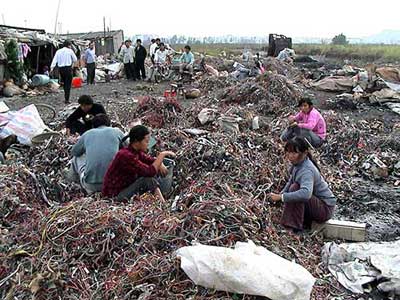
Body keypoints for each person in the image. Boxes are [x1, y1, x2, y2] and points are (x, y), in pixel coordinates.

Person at [269, 137, 336, 232]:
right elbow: (291, 181)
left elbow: (306, 193)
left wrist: (282, 197)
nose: (290, 156)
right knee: (293, 186)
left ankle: (292, 227)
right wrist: (279, 195)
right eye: (288, 152)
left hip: (324, 209)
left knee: (295, 188)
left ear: (304, 153)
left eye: (294, 153)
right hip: (317, 205)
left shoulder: (306, 170)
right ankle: (298, 222)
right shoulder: (297, 165)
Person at [102, 125, 175, 201]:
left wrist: (161, 164)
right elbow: (150, 172)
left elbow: (150, 160)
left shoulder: (135, 152)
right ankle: (163, 204)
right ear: (136, 141)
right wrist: (162, 154)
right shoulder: (125, 155)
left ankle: (162, 199)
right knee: (148, 180)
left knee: (149, 174)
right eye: (146, 141)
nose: (148, 144)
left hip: (125, 188)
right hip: (115, 195)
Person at [67, 114, 125, 193]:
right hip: (114, 185)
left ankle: (71, 183)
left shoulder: (88, 133)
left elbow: (74, 152)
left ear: (93, 126)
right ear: (109, 124)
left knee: (77, 157)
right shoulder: (116, 131)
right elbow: (130, 148)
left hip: (91, 186)